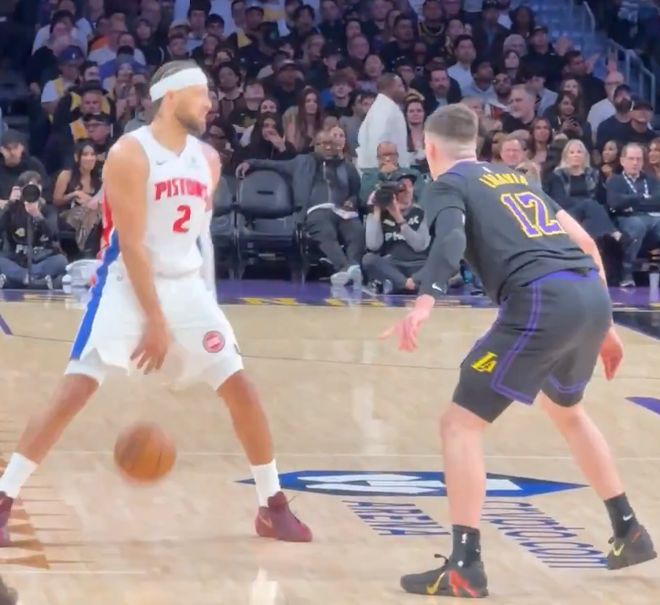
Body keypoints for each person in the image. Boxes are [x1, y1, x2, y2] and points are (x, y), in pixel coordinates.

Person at [0, 60, 312, 545]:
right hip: (126, 283)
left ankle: (272, 506)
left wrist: (204, 309)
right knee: (75, 390)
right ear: (171, 97)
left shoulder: (208, 160)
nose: (210, 103)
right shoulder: (130, 153)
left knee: (241, 387)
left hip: (186, 285)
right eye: (201, 94)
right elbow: (132, 244)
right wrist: (156, 320)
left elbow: (198, 238)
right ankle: (5, 498)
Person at [382, 104, 656, 598]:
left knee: (459, 424)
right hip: (589, 294)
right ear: (476, 144)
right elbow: (585, 243)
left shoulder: (447, 184)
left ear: (429, 148)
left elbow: (449, 241)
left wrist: (423, 304)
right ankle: (628, 529)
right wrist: (606, 325)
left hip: (542, 300)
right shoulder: (513, 178)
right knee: (566, 412)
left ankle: (465, 566)